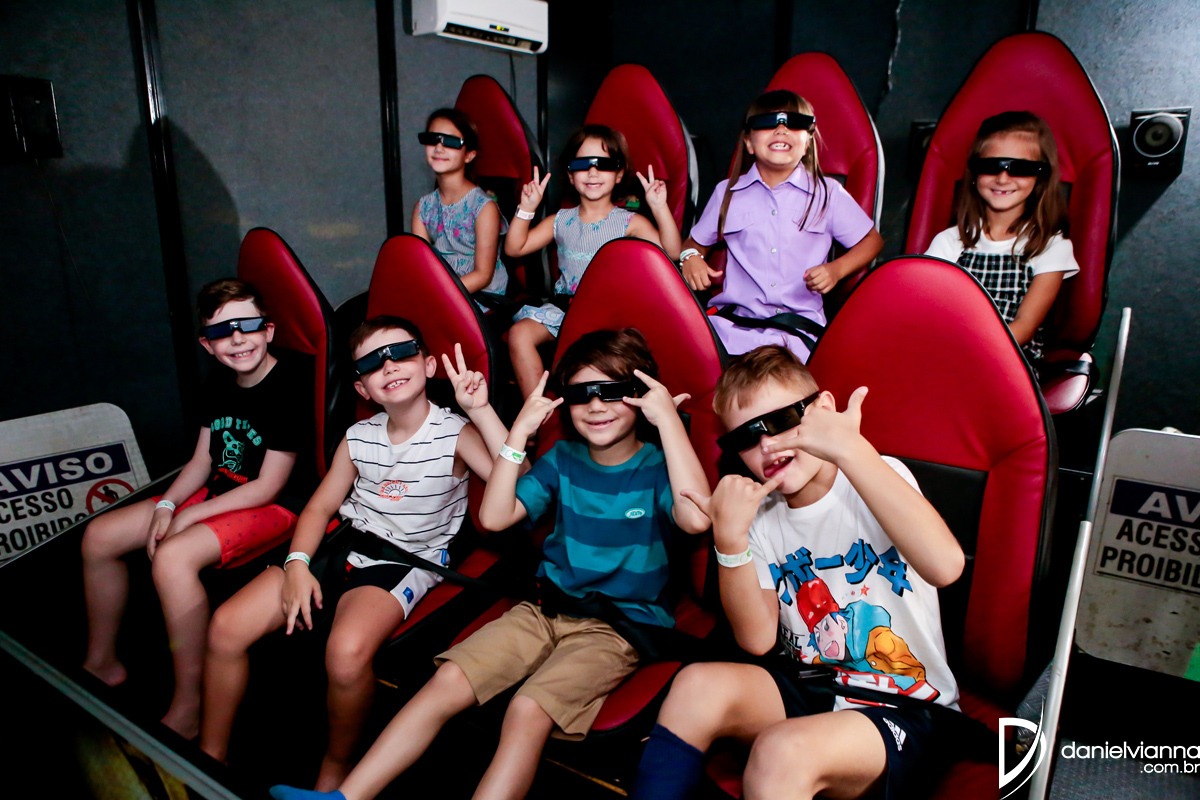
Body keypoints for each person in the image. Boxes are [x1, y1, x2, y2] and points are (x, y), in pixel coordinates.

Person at [269, 328, 711, 800]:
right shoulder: (562, 458)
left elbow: (697, 519)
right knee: (445, 682)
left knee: (526, 710)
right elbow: (496, 516)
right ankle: (344, 797)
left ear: (641, 397)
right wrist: (518, 431)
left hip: (617, 626)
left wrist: (668, 424)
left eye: (613, 391)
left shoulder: (659, 465)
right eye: (582, 394)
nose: (596, 405)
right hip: (544, 609)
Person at [630, 345, 965, 800]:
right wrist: (729, 539)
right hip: (812, 687)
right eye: (746, 438)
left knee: (780, 750)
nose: (767, 445)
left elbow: (945, 566)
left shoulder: (876, 474)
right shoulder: (761, 517)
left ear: (822, 409)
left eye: (781, 421)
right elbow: (756, 638)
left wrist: (850, 447)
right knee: (696, 685)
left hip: (903, 703)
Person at [201, 317, 508, 790]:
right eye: (372, 363)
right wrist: (297, 566)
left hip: (405, 560)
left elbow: (520, 487)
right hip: (343, 543)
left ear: (428, 365)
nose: (389, 366)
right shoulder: (359, 435)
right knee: (226, 625)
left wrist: (483, 411)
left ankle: (336, 770)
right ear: (362, 387)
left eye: (401, 353)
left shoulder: (456, 433)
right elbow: (320, 506)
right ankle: (208, 757)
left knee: (345, 653)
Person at [80, 278, 314, 738]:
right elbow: (203, 460)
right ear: (208, 345)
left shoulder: (289, 385)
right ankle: (101, 663)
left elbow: (268, 486)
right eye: (223, 332)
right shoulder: (220, 382)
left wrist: (188, 516)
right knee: (99, 536)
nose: (238, 339)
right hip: (220, 493)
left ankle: (190, 703)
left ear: (268, 330)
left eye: (247, 326)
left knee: (172, 557)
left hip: (277, 505)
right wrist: (168, 504)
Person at [679, 90, 883, 362]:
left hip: (797, 333)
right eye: (768, 122)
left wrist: (837, 270)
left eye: (794, 123)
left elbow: (871, 241)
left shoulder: (828, 193)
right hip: (733, 329)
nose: (781, 129)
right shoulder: (726, 193)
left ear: (808, 142)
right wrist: (690, 257)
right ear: (749, 143)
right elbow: (692, 244)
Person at [505, 125, 682, 398]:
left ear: (619, 173)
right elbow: (515, 247)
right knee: (519, 335)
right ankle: (538, 413)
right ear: (570, 174)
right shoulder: (560, 220)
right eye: (582, 164)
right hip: (566, 310)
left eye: (604, 164)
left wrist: (659, 208)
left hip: (611, 314)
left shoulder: (630, 222)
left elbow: (672, 252)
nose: (592, 172)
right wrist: (526, 209)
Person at [924, 111, 1078, 361]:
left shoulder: (1051, 246)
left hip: (1010, 360)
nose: (1003, 178)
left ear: (1040, 176)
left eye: (1020, 168)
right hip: (948, 352)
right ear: (975, 172)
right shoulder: (949, 242)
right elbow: (926, 307)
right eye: (990, 166)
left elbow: (1025, 326)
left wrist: (968, 353)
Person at [411, 108, 509, 306]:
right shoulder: (423, 207)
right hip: (440, 290)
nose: (439, 147)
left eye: (451, 141)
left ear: (469, 155)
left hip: (482, 296)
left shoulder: (484, 207)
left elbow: (483, 275)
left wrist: (437, 295)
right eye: (432, 139)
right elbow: (422, 266)